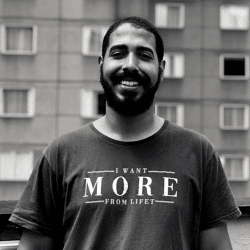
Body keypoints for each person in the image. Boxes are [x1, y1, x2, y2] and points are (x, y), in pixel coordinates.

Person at [10, 16, 241, 250]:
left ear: (161, 69)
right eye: (118, 53)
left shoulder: (198, 152)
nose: (130, 65)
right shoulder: (60, 153)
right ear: (101, 65)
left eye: (144, 55)